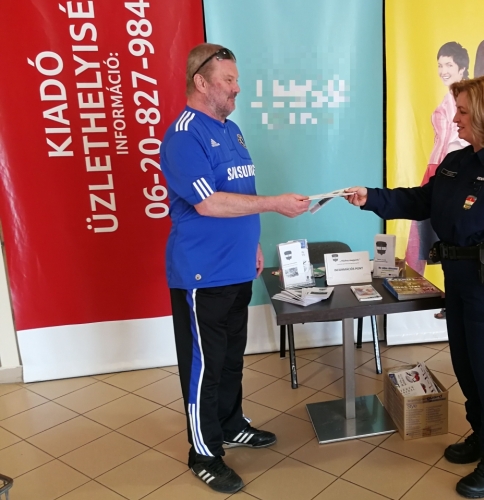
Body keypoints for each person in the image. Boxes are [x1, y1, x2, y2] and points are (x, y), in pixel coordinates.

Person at [346, 76, 484, 498]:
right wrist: (373, 198)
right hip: (460, 284)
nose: (454, 119)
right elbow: (421, 201)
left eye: (462, 111)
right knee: (467, 366)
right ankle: (482, 435)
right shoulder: (457, 161)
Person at [160, 43, 310, 494]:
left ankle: (229, 423)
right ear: (201, 82)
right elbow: (208, 203)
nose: (236, 88)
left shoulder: (232, 130)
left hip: (238, 267)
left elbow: (240, 194)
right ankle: (203, 452)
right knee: (204, 366)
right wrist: (276, 204)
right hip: (202, 274)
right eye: (228, 80)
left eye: (236, 79)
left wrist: (254, 242)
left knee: (230, 359)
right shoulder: (184, 136)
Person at [405, 41, 471, 320]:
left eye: (449, 65)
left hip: (451, 170)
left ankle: (451, 296)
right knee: (422, 233)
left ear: (462, 68)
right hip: (437, 168)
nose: (443, 70)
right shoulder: (448, 99)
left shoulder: (467, 100)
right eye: (440, 65)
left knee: (451, 233)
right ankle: (416, 289)